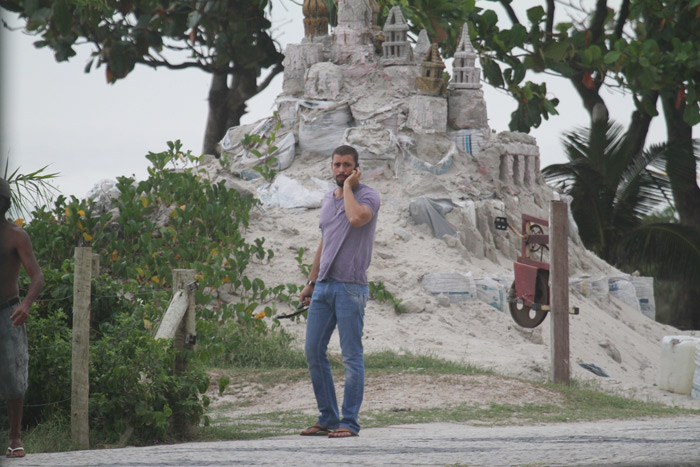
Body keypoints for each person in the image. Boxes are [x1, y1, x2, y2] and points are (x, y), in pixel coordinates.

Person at [298, 145, 380, 438]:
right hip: (323, 286)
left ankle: (349, 422)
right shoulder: (326, 200)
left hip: (351, 287)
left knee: (351, 355)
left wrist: (348, 187)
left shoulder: (368, 195)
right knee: (313, 350)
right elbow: (326, 241)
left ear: (357, 168)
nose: (341, 170)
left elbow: (357, 218)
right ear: (330, 166)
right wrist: (311, 281)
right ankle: (328, 418)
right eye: (337, 165)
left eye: (347, 165)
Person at [0, 179, 44, 458]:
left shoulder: (17, 236)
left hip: (8, 312)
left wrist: (26, 304)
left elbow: (37, 276)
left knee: (15, 377)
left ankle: (15, 437)